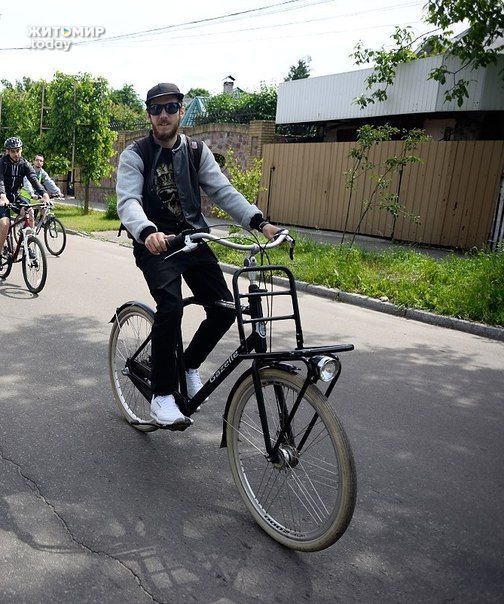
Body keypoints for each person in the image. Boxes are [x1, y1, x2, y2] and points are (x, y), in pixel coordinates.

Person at [116, 82, 281, 427]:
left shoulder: (195, 151)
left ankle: (187, 364)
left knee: (224, 310)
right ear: (149, 114)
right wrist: (147, 231)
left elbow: (222, 191)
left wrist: (259, 222)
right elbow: (128, 201)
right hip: (157, 246)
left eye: (171, 107)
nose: (164, 115)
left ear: (181, 111)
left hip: (193, 239)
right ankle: (161, 397)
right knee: (171, 307)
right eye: (157, 109)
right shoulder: (136, 154)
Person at [0, 137, 50, 262]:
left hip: (15, 195)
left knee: (30, 213)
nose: (16, 154)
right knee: (5, 224)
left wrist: (44, 194)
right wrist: (2, 195)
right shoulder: (2, 162)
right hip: (1, 196)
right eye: (13, 151)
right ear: (8, 152)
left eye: (18, 150)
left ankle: (28, 246)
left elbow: (33, 179)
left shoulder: (24, 164)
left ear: (21, 150)